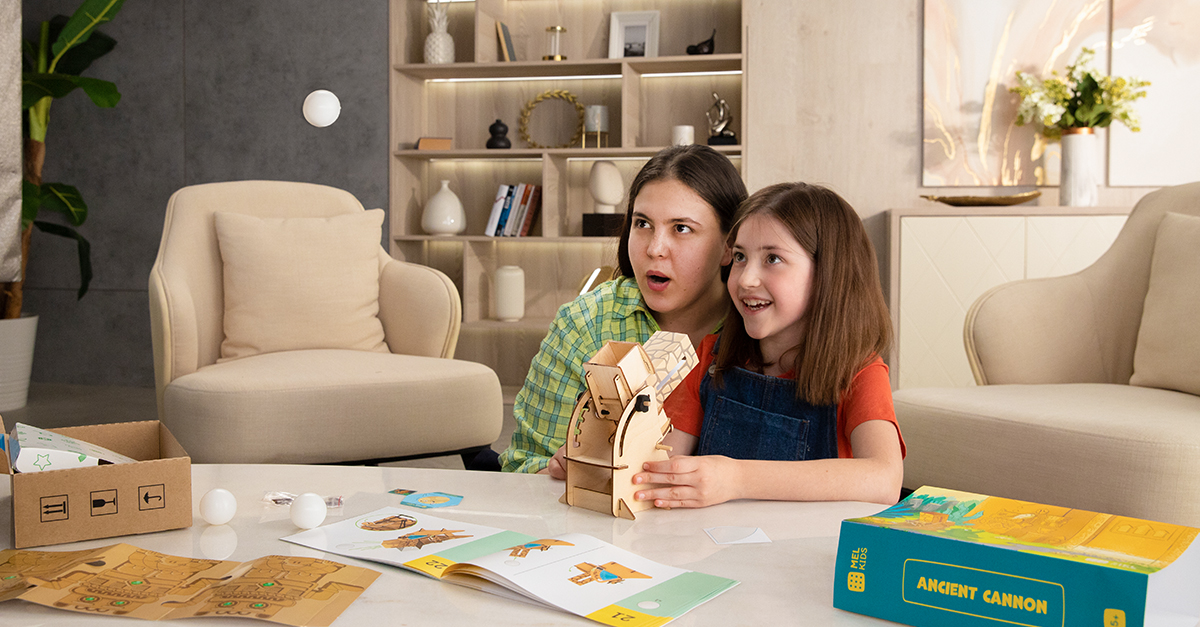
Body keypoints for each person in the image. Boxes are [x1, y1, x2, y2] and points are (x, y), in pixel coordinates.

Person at [632, 182, 905, 506]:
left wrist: (736, 479)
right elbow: (660, 467)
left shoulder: (860, 372)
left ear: (828, 274)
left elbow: (885, 478)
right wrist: (595, 462)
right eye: (740, 257)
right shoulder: (709, 357)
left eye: (773, 258)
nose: (746, 278)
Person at [500, 145, 748, 474]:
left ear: (729, 246)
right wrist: (560, 472)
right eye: (642, 223)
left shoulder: (760, 324)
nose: (654, 248)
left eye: (681, 228)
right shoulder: (584, 323)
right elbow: (520, 467)